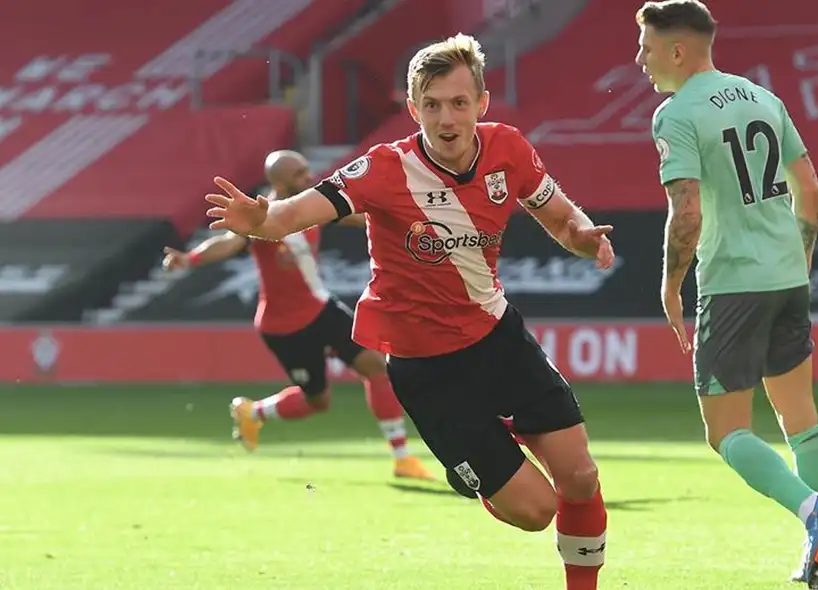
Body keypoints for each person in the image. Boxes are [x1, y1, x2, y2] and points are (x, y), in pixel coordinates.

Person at [204, 34, 611, 590]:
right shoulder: (383, 168)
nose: (447, 118)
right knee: (535, 510)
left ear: (482, 104)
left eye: (459, 103)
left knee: (581, 477)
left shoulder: (509, 149)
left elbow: (564, 220)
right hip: (427, 369)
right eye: (434, 105)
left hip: (499, 340)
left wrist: (587, 238)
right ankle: (476, 465)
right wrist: (261, 218)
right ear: (413, 107)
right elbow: (291, 215)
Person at [635, 1, 818, 588]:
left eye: (647, 47)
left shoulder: (675, 114)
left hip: (732, 286)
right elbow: (811, 189)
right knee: (802, 421)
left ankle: (814, 513)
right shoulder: (763, 98)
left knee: (725, 432)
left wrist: (670, 284)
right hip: (786, 276)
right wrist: (799, 254)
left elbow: (688, 211)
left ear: (678, 51)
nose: (641, 60)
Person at [162, 149, 433, 481]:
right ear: (278, 182)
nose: (308, 178)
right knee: (317, 401)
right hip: (285, 326)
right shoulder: (261, 216)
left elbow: (361, 215)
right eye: (299, 175)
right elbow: (230, 243)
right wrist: (189, 259)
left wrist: (410, 219)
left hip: (322, 308)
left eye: (307, 170)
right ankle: (254, 412)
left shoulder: (313, 204)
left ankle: (402, 458)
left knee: (377, 367)